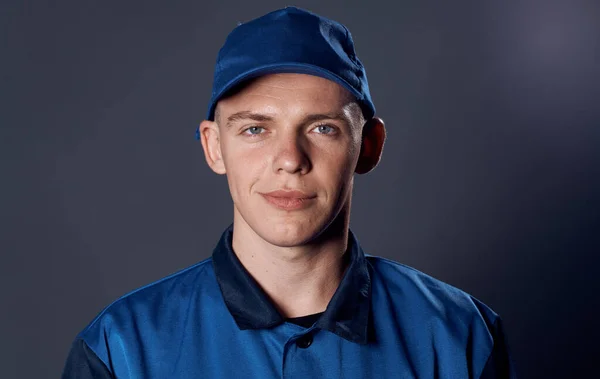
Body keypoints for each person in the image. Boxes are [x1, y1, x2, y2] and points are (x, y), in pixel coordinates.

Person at [62, 6, 516, 378]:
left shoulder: (460, 336)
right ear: (214, 147)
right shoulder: (120, 348)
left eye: (322, 127)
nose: (289, 159)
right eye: (256, 128)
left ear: (369, 147)